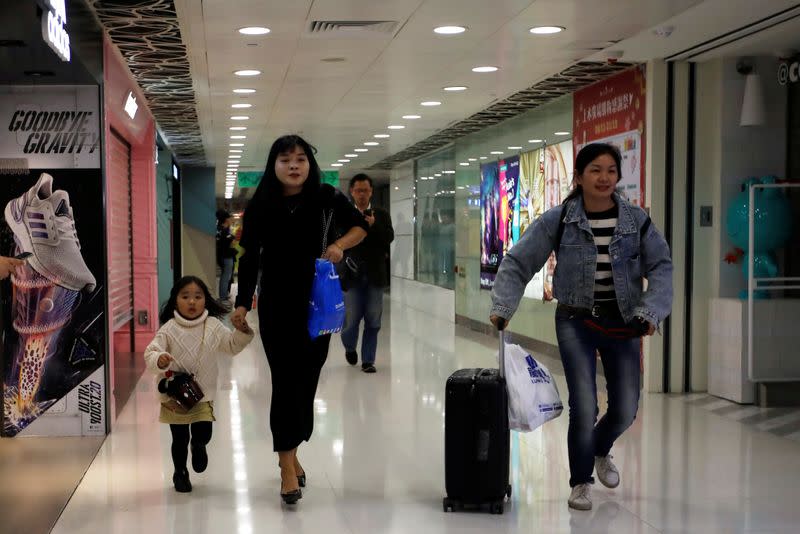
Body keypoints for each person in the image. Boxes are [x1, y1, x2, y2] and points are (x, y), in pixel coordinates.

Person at [490, 143, 673, 511]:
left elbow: (662, 266)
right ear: (579, 176)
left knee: (625, 407)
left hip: (623, 322)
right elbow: (518, 261)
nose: (604, 177)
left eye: (610, 170)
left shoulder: (636, 221)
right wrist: (503, 306)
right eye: (595, 170)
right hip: (576, 320)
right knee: (585, 404)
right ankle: (580, 481)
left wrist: (651, 313)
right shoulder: (559, 219)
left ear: (618, 177)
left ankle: (600, 449)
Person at [231, 135, 367, 505]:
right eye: (285, 159)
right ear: (273, 164)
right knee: (284, 381)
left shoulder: (326, 197)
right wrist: (243, 303)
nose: (294, 165)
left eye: (301, 159)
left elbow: (359, 228)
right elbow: (250, 259)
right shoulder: (261, 204)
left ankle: (292, 450)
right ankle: (286, 467)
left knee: (306, 381)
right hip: (276, 304)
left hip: (316, 303)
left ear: (310, 164)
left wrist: (340, 246)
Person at [144, 275, 254, 493]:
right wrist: (160, 358)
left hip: (202, 394)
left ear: (206, 300)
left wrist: (241, 332)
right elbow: (151, 352)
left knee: (204, 433)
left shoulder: (212, 326)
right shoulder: (169, 329)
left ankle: (199, 445)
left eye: (197, 296)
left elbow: (231, 346)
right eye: (185, 297)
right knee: (179, 438)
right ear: (176, 300)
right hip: (175, 396)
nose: (192, 302)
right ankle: (180, 473)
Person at [340, 173, 394, 373]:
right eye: (358, 190)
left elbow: (388, 237)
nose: (362, 194)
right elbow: (339, 241)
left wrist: (373, 226)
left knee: (373, 319)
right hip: (351, 276)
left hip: (375, 275)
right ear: (352, 192)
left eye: (365, 190)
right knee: (351, 319)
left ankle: (368, 360)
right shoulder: (345, 213)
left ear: (371, 191)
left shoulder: (381, 214)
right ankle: (349, 346)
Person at [216, 210, 237, 302]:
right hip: (226, 256)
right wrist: (232, 238)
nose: (231, 219)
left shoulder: (221, 229)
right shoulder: (223, 231)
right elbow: (230, 242)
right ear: (225, 219)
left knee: (226, 276)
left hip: (225, 256)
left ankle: (224, 295)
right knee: (226, 277)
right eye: (229, 217)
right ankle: (223, 297)